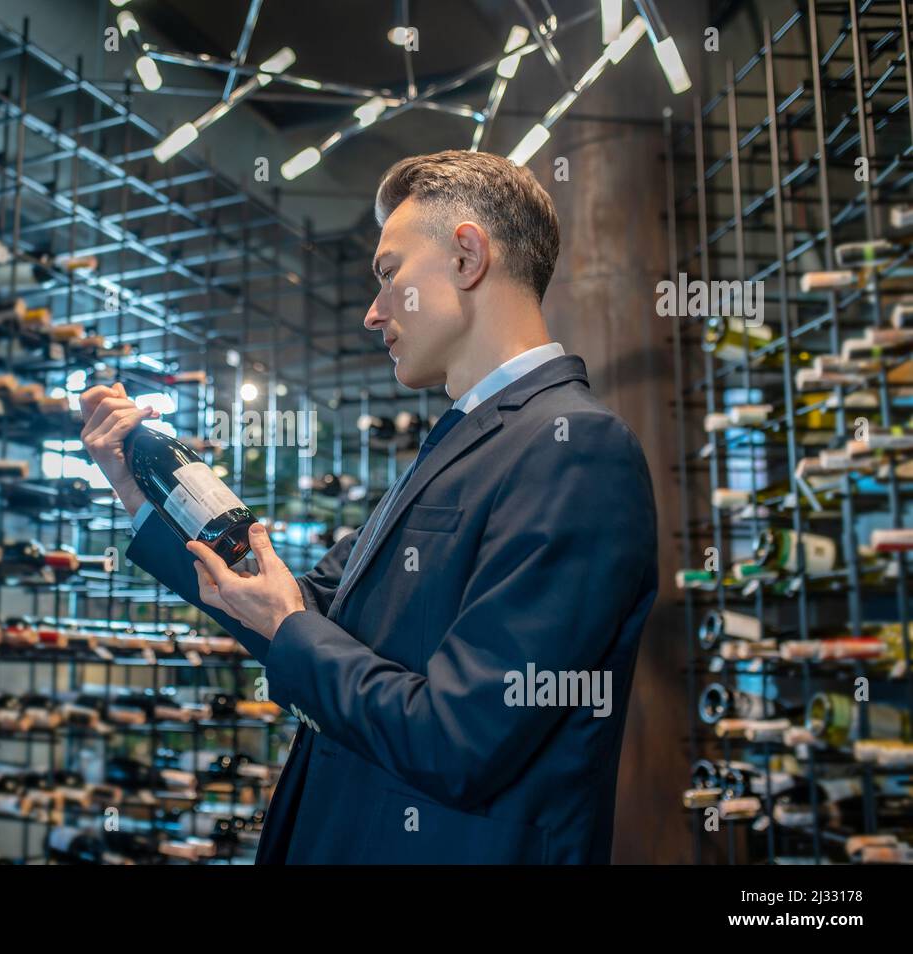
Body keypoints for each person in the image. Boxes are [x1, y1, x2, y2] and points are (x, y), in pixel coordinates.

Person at [80, 150, 658, 864]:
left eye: (389, 274)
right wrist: (147, 491)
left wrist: (290, 623)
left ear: (468, 255)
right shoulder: (463, 438)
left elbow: (458, 738)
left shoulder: (577, 449)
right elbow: (305, 607)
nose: (372, 310)